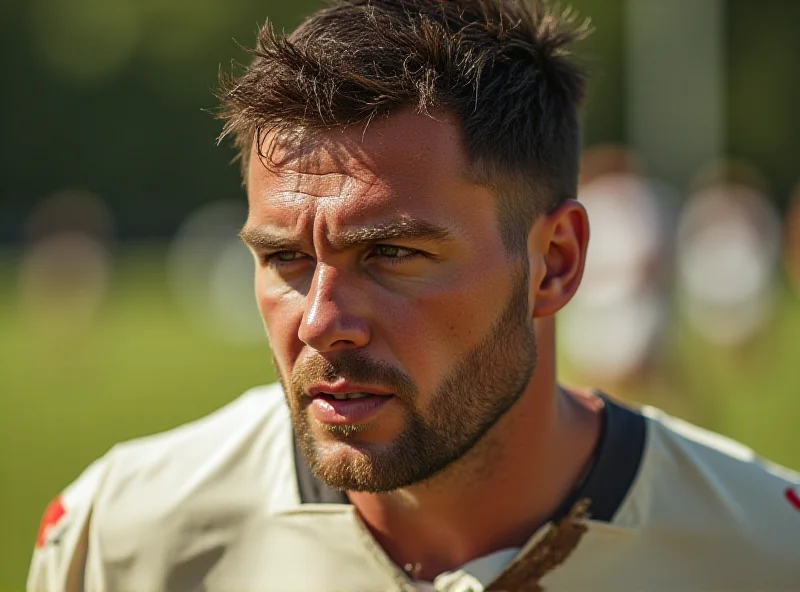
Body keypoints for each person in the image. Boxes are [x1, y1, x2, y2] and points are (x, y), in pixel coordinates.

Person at [28, 1, 799, 590]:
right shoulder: (127, 534)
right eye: (286, 259)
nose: (323, 320)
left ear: (554, 263)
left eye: (392, 253)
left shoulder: (765, 552)